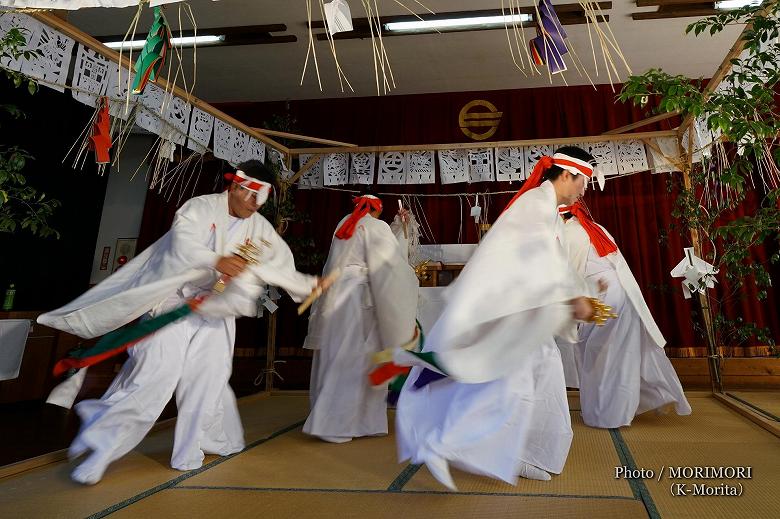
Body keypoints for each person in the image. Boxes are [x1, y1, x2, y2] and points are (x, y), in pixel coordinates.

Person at [38, 160, 319, 485]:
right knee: (156, 376)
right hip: (173, 302)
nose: (255, 205)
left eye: (261, 199)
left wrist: (309, 286)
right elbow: (183, 245)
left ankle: (199, 443)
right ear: (235, 186)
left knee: (210, 378)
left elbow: (279, 264)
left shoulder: (260, 229)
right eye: (251, 196)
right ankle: (102, 441)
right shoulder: (199, 208)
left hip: (214, 309)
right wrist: (218, 261)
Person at [395, 146, 600, 490]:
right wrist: (574, 295)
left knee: (534, 374)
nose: (584, 190)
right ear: (566, 174)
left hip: (520, 308)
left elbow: (554, 262)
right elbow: (540, 257)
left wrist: (578, 291)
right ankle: (480, 447)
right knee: (514, 380)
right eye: (583, 181)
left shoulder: (545, 207)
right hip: (507, 309)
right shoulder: (535, 204)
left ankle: (518, 451)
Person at [559, 201, 691, 428]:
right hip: (621, 297)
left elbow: (566, 276)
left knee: (602, 357)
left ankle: (607, 415)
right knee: (618, 356)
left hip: (604, 298)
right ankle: (613, 412)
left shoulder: (569, 233)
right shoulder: (596, 228)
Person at [303, 191, 418, 443]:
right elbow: (389, 262)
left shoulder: (344, 222)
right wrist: (401, 230)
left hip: (336, 296)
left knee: (336, 353)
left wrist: (399, 226)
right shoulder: (376, 226)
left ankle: (338, 420)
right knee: (358, 358)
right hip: (360, 299)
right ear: (377, 210)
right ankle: (339, 424)